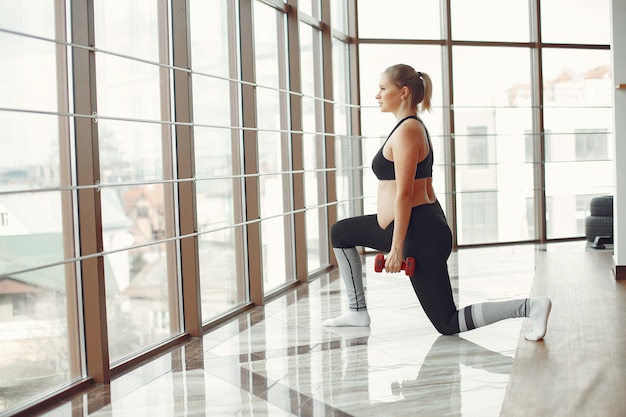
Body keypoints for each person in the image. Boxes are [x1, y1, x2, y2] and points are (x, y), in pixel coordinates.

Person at [323, 64, 552, 341]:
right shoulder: (405, 128)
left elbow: (405, 194)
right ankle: (357, 310)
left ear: (403, 92)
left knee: (447, 322)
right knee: (341, 232)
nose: (377, 95)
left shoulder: (408, 131)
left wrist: (396, 249)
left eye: (383, 88)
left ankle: (530, 307)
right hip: (411, 227)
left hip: (419, 234)